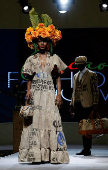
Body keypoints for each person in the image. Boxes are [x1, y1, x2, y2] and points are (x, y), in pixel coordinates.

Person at [18, 8, 69, 163]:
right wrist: (28, 91)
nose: (41, 42)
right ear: (35, 42)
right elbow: (29, 77)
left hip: (48, 93)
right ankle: (35, 154)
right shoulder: (31, 59)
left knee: (50, 120)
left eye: (44, 40)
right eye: (39, 40)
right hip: (35, 93)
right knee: (35, 121)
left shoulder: (54, 58)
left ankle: (50, 156)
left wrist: (59, 94)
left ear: (49, 42)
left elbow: (58, 77)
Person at [70, 56, 99, 156]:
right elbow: (74, 91)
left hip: (87, 103)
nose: (78, 67)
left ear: (84, 64)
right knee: (82, 126)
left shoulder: (92, 74)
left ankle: (88, 148)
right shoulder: (75, 76)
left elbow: (95, 91)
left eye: (80, 65)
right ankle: (85, 148)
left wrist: (95, 104)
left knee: (88, 127)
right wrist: (71, 104)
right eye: (77, 65)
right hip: (78, 104)